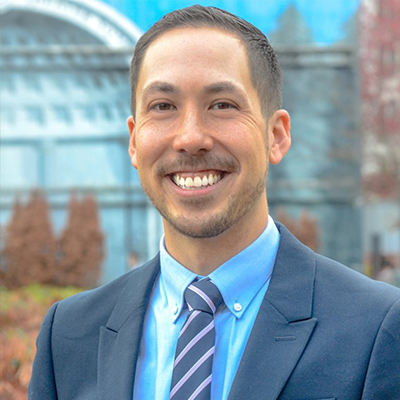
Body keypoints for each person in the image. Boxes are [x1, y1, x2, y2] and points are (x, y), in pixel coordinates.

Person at [29, 5, 400, 400]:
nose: (190, 138)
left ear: (276, 136)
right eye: (163, 106)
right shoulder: (68, 336)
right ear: (134, 141)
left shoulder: (375, 329)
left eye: (222, 104)